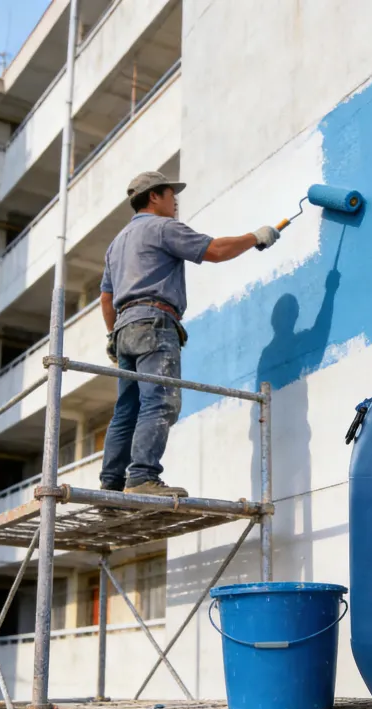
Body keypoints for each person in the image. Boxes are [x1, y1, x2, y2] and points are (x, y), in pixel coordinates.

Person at [98, 171, 280, 497]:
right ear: (154, 196)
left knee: (127, 409)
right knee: (159, 402)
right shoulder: (162, 227)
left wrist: (114, 337)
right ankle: (142, 478)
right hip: (154, 323)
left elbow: (107, 298)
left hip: (125, 327)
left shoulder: (117, 243)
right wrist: (256, 237)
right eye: (171, 194)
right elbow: (215, 250)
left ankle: (110, 486)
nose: (176, 200)